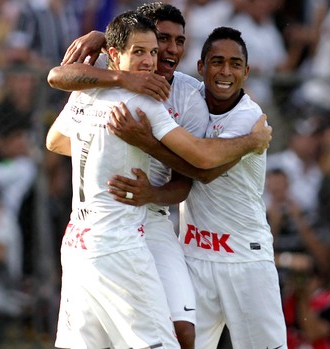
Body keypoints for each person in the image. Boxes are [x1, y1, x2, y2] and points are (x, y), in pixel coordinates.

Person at [48, 3, 272, 348]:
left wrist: (147, 177)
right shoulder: (122, 91)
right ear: (119, 52)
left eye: (176, 42)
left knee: (181, 333)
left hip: (137, 222)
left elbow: (193, 177)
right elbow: (57, 137)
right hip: (118, 231)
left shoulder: (184, 95)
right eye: (155, 43)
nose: (166, 51)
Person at [106, 27, 287, 348]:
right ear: (201, 68)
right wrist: (99, 38)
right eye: (217, 62)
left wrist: (147, 142)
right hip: (194, 256)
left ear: (247, 72)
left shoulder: (250, 119)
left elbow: (205, 170)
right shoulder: (188, 98)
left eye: (235, 64)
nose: (225, 72)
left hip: (245, 260)